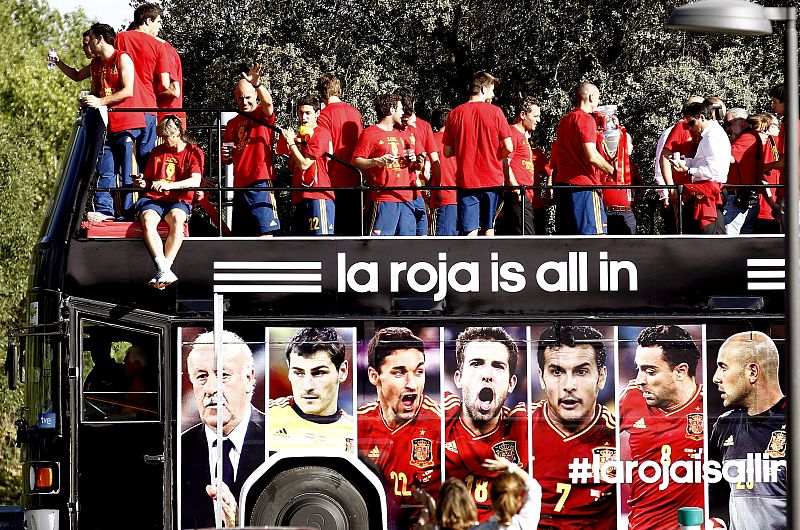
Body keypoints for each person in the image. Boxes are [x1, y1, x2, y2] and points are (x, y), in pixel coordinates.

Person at [619, 325, 704, 530]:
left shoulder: (710, 408)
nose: (639, 380)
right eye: (638, 369)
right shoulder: (632, 398)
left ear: (681, 371)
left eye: (650, 371)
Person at [532, 325, 616, 529]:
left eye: (581, 371)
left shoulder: (621, 439)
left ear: (602, 377)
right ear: (542, 377)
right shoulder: (515, 431)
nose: (569, 385)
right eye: (557, 371)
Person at [181, 330, 265, 529]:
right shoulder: (179, 450)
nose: (211, 388)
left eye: (223, 375)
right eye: (201, 377)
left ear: (249, 377)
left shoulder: (278, 442)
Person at [358, 327, 442, 525]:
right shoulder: (357, 426)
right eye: (399, 372)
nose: (412, 384)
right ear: (374, 376)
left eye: (419, 371)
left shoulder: (441, 425)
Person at [445, 327, 529, 522]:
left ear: (511, 384)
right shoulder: (436, 425)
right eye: (476, 364)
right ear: (458, 378)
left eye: (498, 366)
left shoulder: (527, 429)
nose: (487, 375)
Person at [710, 331, 786, 530]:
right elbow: (715, 497)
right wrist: (717, 522)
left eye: (723, 368)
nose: (715, 378)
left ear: (752, 372)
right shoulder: (724, 426)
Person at [80, 23, 146, 222]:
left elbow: (128, 90)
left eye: (90, 38)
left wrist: (99, 101)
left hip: (127, 123)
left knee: (128, 172)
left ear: (99, 38)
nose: (88, 43)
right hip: (106, 125)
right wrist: (88, 101)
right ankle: (104, 211)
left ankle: (128, 214)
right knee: (105, 169)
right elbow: (94, 91)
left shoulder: (122, 57)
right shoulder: (96, 64)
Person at [134, 115, 203, 289]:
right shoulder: (157, 152)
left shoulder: (193, 152)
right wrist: (144, 183)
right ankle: (164, 269)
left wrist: (169, 185)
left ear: (178, 133)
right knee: (148, 219)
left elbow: (195, 181)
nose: (164, 141)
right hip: (155, 199)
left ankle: (164, 269)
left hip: (179, 199)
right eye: (162, 137)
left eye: (167, 137)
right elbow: (150, 181)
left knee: (177, 218)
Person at [443, 71, 513, 236]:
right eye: (492, 89)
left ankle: (470, 261)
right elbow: (508, 147)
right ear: (483, 89)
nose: (494, 94)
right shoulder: (496, 112)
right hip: (492, 179)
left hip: (466, 180)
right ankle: (489, 261)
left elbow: (447, 152)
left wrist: (464, 148)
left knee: (469, 231)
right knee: (489, 228)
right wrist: (495, 155)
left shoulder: (455, 113)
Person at [268, 327, 354, 452]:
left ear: (342, 371)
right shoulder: (266, 416)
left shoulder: (355, 431)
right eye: (298, 373)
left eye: (319, 373)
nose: (307, 386)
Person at [222, 63, 279, 236]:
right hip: (239, 184)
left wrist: (257, 84)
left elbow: (269, 103)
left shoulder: (262, 115)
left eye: (248, 97)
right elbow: (228, 157)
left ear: (255, 95)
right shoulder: (232, 123)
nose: (244, 102)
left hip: (260, 180)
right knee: (240, 237)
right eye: (240, 98)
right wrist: (226, 155)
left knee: (265, 232)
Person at [552, 82, 615, 235]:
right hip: (584, 186)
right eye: (598, 98)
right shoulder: (586, 120)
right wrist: (613, 170)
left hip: (563, 186)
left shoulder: (564, 121)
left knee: (567, 238)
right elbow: (592, 156)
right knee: (594, 237)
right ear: (591, 97)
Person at [353, 93, 416, 236]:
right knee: (380, 244)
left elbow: (400, 159)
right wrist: (377, 161)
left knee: (409, 242)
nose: (402, 113)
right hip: (384, 197)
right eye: (400, 109)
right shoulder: (370, 133)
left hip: (406, 196)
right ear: (391, 110)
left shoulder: (400, 133)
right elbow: (356, 161)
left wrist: (409, 158)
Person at [669, 100, 731, 234]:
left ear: (702, 117)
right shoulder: (711, 134)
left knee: (708, 238)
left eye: (691, 123)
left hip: (709, 193)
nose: (690, 128)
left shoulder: (711, 136)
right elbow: (705, 162)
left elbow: (714, 170)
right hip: (709, 192)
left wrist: (689, 170)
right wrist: (686, 162)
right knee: (710, 236)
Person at [276, 95, 335, 235]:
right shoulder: (298, 136)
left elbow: (304, 164)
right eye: (300, 113)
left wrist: (291, 143)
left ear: (317, 114)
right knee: (301, 244)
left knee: (320, 241)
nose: (304, 117)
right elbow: (292, 165)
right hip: (300, 194)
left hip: (318, 193)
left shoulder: (321, 134)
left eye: (308, 113)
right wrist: (294, 143)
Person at [316, 72, 364, 235]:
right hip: (356, 176)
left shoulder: (323, 116)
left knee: (337, 231)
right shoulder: (355, 112)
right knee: (355, 230)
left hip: (334, 179)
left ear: (321, 93)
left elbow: (324, 148)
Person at [658, 95, 705, 232]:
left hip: (702, 189)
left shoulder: (709, 130)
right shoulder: (682, 127)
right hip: (684, 191)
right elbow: (664, 157)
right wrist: (670, 188)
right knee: (684, 231)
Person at [496, 97, 542, 235]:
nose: (538, 120)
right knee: (527, 241)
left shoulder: (523, 137)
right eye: (535, 116)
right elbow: (505, 163)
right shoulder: (512, 133)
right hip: (516, 195)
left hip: (524, 195)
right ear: (523, 115)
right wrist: (517, 190)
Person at [725, 113, 774, 235]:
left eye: (729, 124)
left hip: (738, 198)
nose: (728, 128)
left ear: (740, 122)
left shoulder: (747, 137)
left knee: (729, 239)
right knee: (745, 240)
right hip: (749, 197)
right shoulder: (755, 139)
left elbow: (729, 158)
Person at [398, 88, 438, 236]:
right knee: (404, 229)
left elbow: (431, 157)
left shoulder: (424, 126)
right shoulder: (393, 128)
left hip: (417, 186)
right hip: (400, 187)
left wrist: (425, 165)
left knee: (421, 223)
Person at [596, 105, 640, 235]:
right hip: (605, 211)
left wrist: (635, 199)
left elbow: (640, 185)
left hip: (626, 212)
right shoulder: (600, 163)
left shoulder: (629, 165)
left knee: (628, 248)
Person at [473, 456, 542, 530]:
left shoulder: (480, 528)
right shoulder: (526, 524)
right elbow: (534, 488)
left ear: (491, 499)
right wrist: (509, 466)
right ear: (519, 500)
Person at [430, 107, 458, 235]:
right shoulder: (457, 141)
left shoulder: (432, 140)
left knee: (443, 239)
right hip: (459, 195)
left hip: (442, 195)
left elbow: (425, 170)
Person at [755, 113, 783, 234]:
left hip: (764, 206)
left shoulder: (760, 142)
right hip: (776, 204)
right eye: (777, 125)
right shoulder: (776, 142)